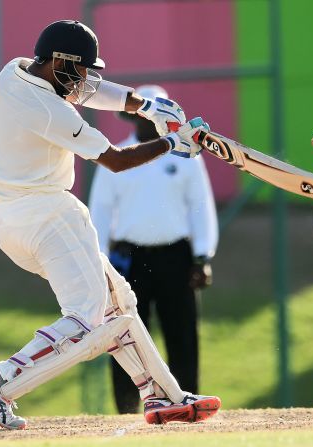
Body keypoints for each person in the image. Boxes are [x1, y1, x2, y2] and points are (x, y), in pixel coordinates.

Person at [0, 19, 221, 430]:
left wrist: (145, 105)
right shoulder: (49, 111)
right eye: (81, 69)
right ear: (59, 61)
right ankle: (0, 381)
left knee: (118, 303)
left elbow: (91, 91)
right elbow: (117, 162)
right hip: (48, 217)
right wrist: (172, 144)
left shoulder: (13, 72)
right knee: (88, 321)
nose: (85, 80)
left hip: (17, 218)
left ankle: (164, 398)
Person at [89, 85, 218, 414]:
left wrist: (203, 256)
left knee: (182, 334)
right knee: (125, 336)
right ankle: (128, 410)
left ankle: (187, 403)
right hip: (128, 260)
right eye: (143, 113)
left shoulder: (185, 158)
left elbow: (200, 206)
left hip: (176, 256)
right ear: (133, 117)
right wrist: (99, 264)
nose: (150, 120)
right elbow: (100, 212)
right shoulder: (116, 156)